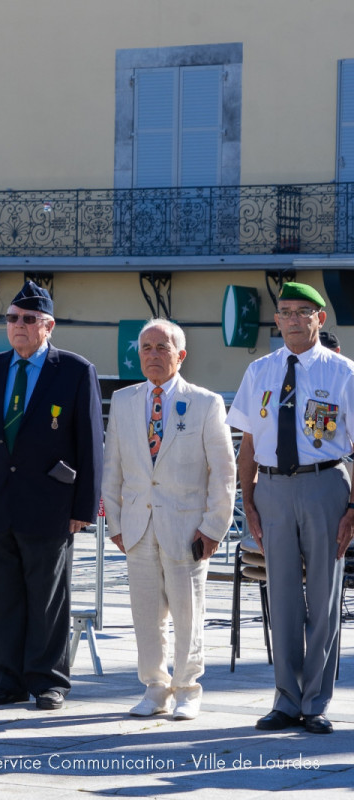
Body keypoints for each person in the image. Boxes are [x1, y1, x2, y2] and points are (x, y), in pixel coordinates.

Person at [0, 280, 103, 711]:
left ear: (48, 326)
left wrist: (84, 507)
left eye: (28, 319)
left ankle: (47, 680)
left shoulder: (75, 371)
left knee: (47, 596)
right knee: (5, 597)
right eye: (11, 318)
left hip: (50, 504)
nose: (17, 326)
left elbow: (90, 444)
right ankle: (5, 679)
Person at [226, 282, 354, 735]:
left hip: (324, 485)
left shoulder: (344, 373)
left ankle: (316, 702)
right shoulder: (260, 370)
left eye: (304, 311)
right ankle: (285, 699)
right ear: (276, 320)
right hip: (273, 490)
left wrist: (353, 508)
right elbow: (247, 443)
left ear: (320, 319)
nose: (294, 318)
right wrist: (250, 501)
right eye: (285, 311)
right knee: (280, 596)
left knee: (323, 596)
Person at [102, 318, 236, 721]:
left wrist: (213, 527)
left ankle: (188, 688)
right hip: (139, 527)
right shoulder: (124, 401)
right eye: (146, 347)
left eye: (163, 347)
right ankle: (155, 686)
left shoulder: (206, 402)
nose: (153, 355)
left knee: (187, 612)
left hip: (187, 528)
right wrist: (117, 524)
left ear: (181, 355)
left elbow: (223, 471)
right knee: (145, 614)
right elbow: (114, 468)